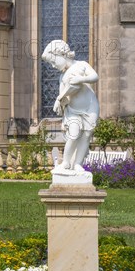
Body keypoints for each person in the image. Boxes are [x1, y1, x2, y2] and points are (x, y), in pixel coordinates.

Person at [42, 40, 99, 173]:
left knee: (86, 135)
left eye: (53, 61)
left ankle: (78, 164)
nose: (53, 65)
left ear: (61, 54)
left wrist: (81, 79)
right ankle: (66, 162)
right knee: (73, 135)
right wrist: (59, 101)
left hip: (90, 108)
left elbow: (95, 76)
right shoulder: (62, 77)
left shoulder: (82, 65)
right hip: (73, 110)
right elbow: (65, 95)